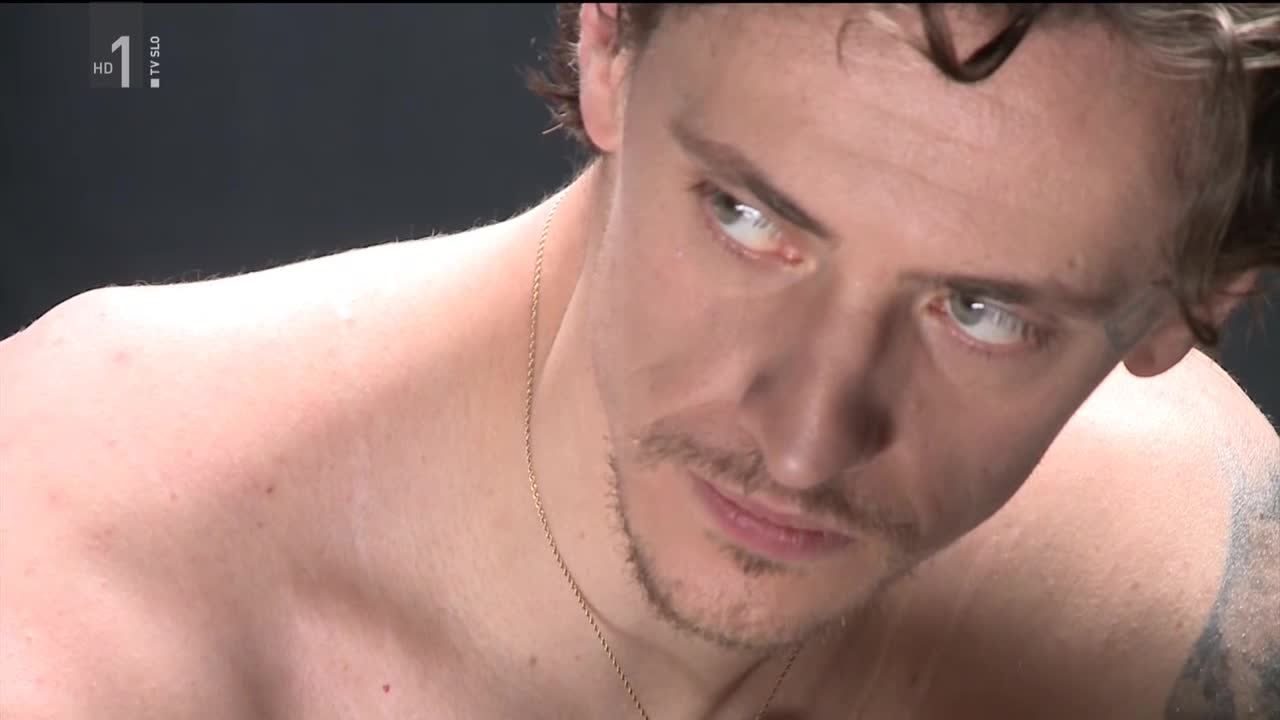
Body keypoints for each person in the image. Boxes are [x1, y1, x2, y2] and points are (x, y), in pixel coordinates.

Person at [3, 3, 1278, 718]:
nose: (802, 445)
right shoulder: (76, 610)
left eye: (981, 313)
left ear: (1184, 310)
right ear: (608, 42)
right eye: (747, 219)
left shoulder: (1177, 594)